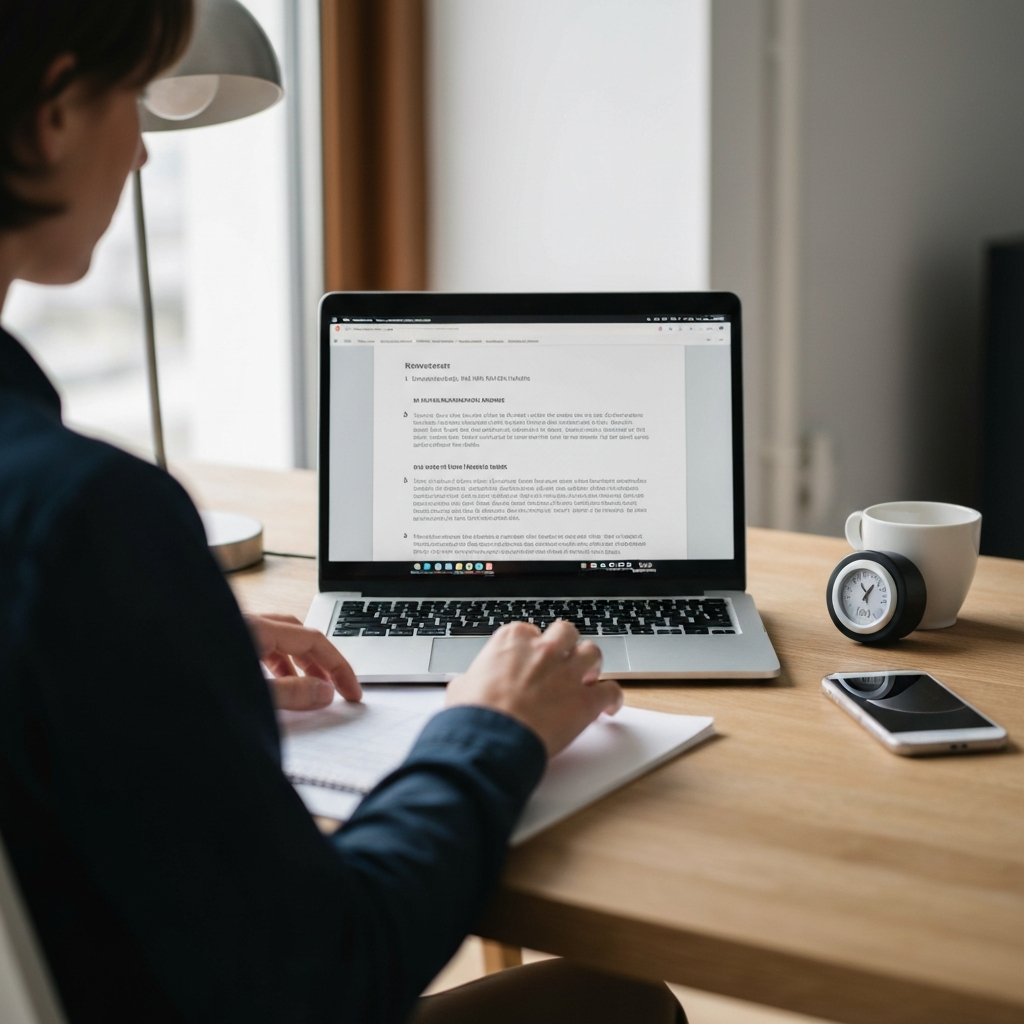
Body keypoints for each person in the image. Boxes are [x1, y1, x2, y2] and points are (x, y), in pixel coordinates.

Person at [0, 2, 686, 1021]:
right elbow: (325, 970)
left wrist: (159, 645)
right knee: (622, 1004)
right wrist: (485, 729)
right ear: (55, 110)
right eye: (132, 100)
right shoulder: (86, 518)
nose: (143, 150)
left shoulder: (57, 542)